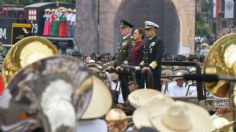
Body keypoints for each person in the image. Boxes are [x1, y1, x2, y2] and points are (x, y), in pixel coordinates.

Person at [139, 21, 164, 91]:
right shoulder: (146, 42)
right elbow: (145, 57)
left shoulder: (159, 41)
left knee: (155, 92)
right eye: (146, 30)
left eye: (148, 29)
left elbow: (159, 57)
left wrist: (150, 67)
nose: (146, 31)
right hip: (146, 71)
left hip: (154, 72)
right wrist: (140, 66)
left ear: (154, 30)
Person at [114, 20, 134, 101]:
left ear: (129, 30)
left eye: (123, 28)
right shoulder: (123, 40)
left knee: (127, 90)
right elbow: (119, 55)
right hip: (121, 70)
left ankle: (129, 106)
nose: (121, 30)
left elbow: (130, 56)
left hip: (126, 70)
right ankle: (126, 105)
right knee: (123, 89)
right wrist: (114, 65)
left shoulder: (131, 40)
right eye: (121, 28)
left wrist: (122, 66)